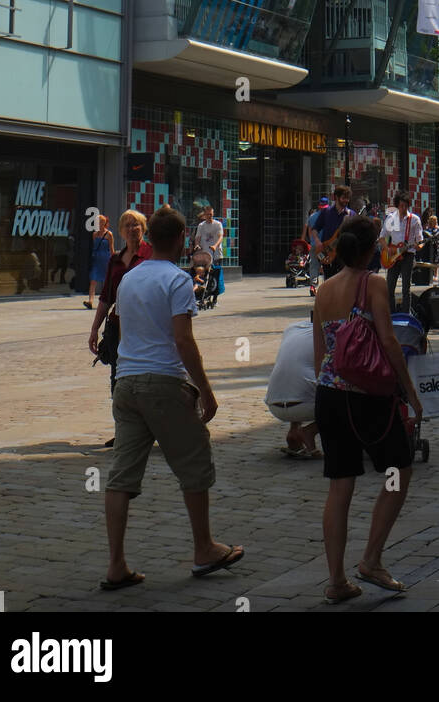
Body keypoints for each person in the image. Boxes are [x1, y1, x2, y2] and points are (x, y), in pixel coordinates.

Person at [101, 205, 242, 589]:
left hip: (126, 385)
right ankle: (204, 548)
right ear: (182, 240)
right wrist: (206, 392)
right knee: (194, 463)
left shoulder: (129, 278)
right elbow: (183, 340)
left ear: (149, 238)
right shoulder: (178, 280)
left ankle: (116, 565)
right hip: (162, 383)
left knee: (121, 477)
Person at [312, 215, 422, 603]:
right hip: (368, 396)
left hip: (330, 394)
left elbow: (319, 354)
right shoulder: (374, 283)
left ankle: (336, 579)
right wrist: (409, 390)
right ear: (371, 249)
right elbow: (389, 341)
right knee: (397, 470)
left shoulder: (323, 291)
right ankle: (372, 558)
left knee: (340, 484)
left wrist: (318, 408)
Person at [88, 209, 151, 447]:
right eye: (127, 225)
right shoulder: (115, 260)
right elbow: (106, 297)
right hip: (116, 327)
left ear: (143, 228)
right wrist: (95, 329)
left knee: (144, 378)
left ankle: (146, 429)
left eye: (136, 225)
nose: (132, 229)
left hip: (145, 328)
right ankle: (124, 431)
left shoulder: (151, 255)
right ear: (121, 231)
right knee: (118, 378)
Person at [265, 319, 320, 458]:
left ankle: (293, 433)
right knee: (341, 397)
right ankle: (310, 431)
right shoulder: (326, 332)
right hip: (304, 406)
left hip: (274, 405)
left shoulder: (291, 328)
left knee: (295, 377)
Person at [382, 191, 423, 313]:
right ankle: (391, 314)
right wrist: (387, 248)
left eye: (406, 206)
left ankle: (406, 314)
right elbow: (382, 237)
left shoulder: (414, 220)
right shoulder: (391, 218)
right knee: (390, 287)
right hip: (393, 255)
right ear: (397, 205)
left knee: (406, 287)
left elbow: (420, 240)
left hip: (408, 254)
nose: (404, 208)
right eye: (401, 206)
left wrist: (418, 246)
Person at [312, 186, 354, 278]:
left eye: (347, 198)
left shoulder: (351, 214)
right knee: (329, 280)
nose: (346, 200)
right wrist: (317, 241)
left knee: (343, 281)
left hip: (343, 254)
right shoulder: (326, 212)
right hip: (326, 251)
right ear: (336, 197)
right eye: (343, 198)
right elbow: (315, 229)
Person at [85, 213, 114, 309]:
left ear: (104, 223)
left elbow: (111, 248)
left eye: (100, 222)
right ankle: (90, 301)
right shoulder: (95, 234)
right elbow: (95, 247)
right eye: (97, 222)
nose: (98, 224)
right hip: (97, 259)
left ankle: (107, 301)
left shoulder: (109, 234)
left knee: (106, 281)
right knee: (93, 280)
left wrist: (113, 260)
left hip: (106, 259)